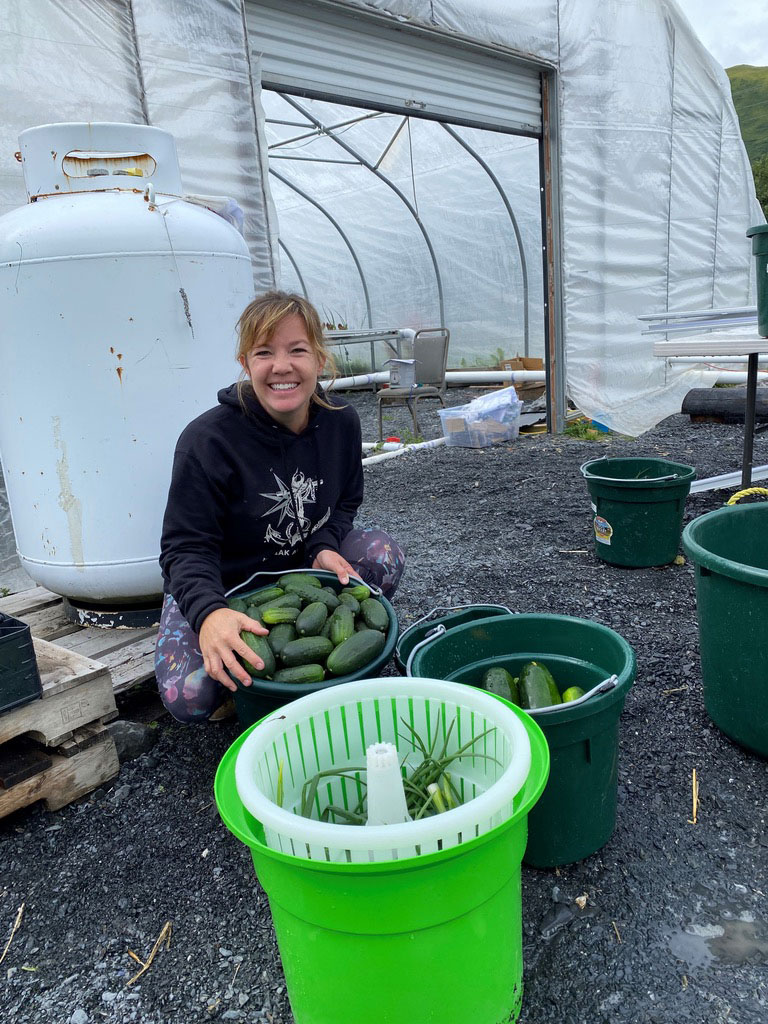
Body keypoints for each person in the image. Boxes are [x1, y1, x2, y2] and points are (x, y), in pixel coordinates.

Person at [154, 291, 405, 723]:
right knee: (189, 697)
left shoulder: (341, 421)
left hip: (300, 574)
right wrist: (210, 613)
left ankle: (288, 668)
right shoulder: (206, 442)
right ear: (245, 362)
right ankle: (241, 670)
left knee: (383, 556)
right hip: (224, 583)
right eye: (264, 352)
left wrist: (322, 547)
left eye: (297, 350)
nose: (282, 366)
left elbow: (345, 502)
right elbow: (184, 548)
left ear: (320, 359)